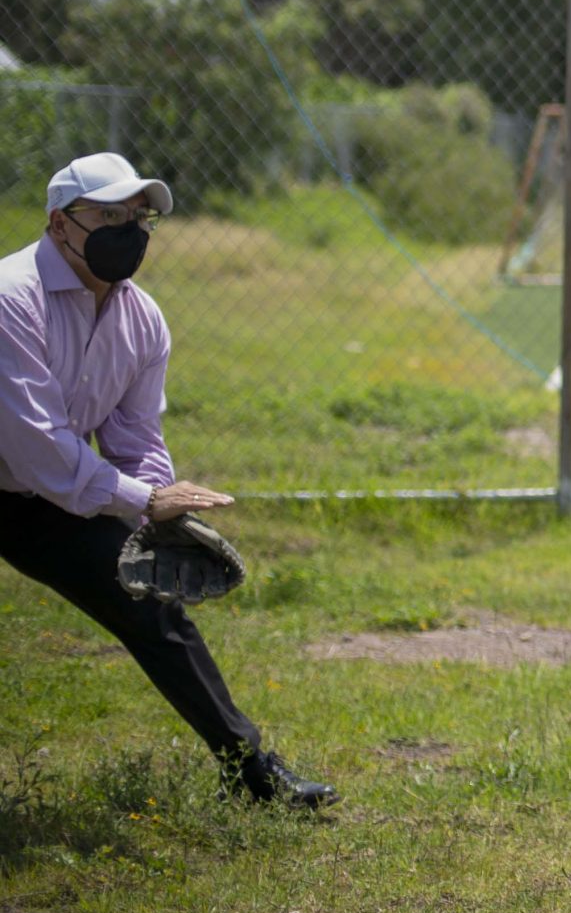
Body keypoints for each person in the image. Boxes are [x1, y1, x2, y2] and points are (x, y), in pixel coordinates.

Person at [1, 154, 335, 807]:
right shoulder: (11, 297)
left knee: (152, 603)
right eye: (107, 215)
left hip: (39, 498)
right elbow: (35, 442)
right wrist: (143, 500)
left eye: (138, 216)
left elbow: (135, 439)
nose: (128, 228)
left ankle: (252, 773)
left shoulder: (142, 319)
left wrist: (160, 513)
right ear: (58, 223)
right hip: (32, 471)